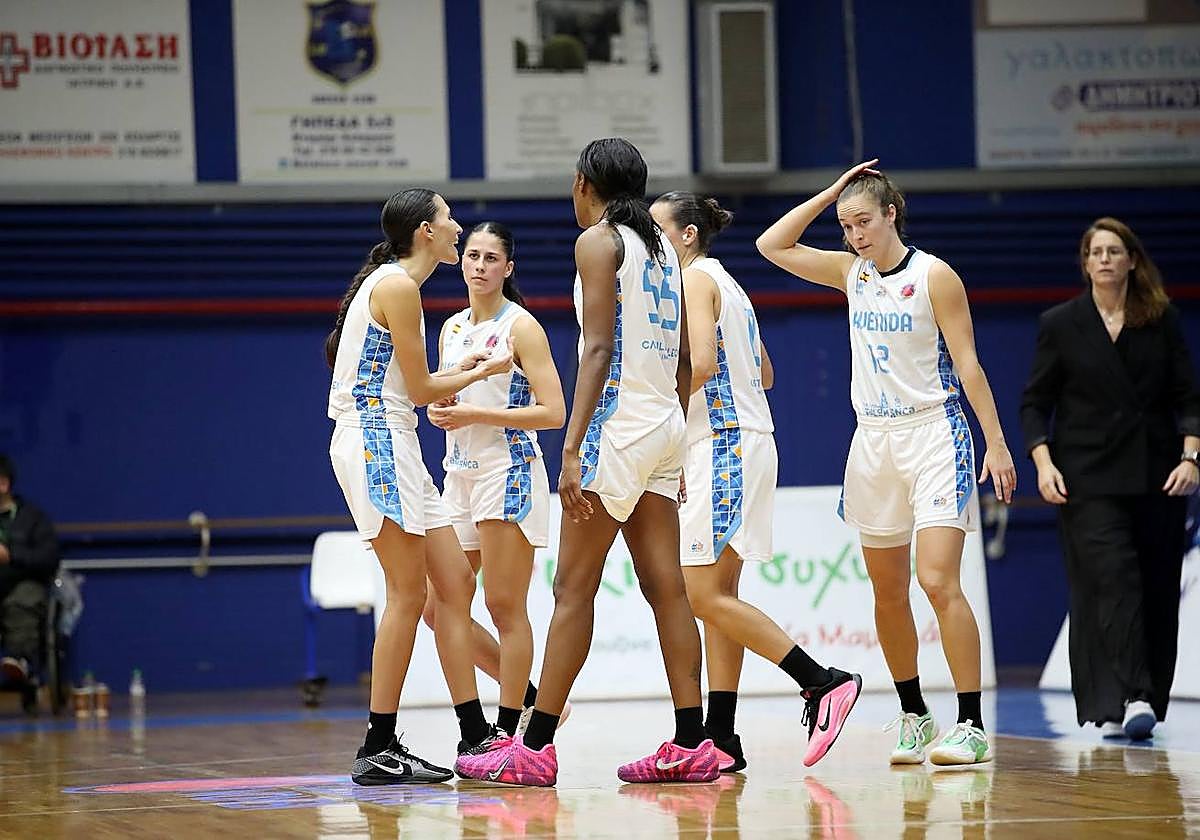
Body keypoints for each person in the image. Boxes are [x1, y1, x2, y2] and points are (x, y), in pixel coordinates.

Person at [455, 137, 714, 786]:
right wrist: (674, 431)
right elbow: (684, 358)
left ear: (582, 185)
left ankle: (535, 748)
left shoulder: (599, 242)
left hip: (617, 430)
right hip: (663, 425)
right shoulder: (662, 245)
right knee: (668, 590)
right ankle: (692, 740)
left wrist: (571, 448)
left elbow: (596, 349)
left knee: (573, 590)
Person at [757, 160, 1016, 767]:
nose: (854, 235)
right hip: (872, 440)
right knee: (888, 590)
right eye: (846, 225)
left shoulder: (936, 277)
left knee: (936, 580)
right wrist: (831, 192)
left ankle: (972, 723)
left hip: (934, 433)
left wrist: (996, 442)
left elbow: (970, 366)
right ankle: (913, 713)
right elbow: (772, 244)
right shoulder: (851, 273)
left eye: (863, 221)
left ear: (892, 214)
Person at [650, 191, 862, 772]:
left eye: (656, 229)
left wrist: (655, 424)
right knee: (720, 599)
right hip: (748, 441)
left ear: (687, 235)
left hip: (719, 445)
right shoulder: (731, 285)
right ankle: (722, 735)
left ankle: (821, 682)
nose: (647, 242)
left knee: (702, 596)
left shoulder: (693, 282)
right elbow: (765, 371)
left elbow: (703, 367)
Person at [326, 188, 514, 785]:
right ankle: (378, 742)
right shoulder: (399, 287)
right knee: (407, 594)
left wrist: (460, 376)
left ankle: (474, 729)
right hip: (377, 441)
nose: (457, 225)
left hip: (397, 442)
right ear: (426, 232)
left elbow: (419, 386)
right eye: (447, 216)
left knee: (454, 583)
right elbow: (424, 387)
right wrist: (485, 368)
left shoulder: (396, 285)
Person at [1020, 216, 1199, 740]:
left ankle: (1130, 701)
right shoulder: (1061, 323)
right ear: (1085, 263)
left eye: (1113, 251)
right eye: (1094, 251)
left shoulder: (1160, 319)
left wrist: (1192, 458)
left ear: (1131, 261)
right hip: (1086, 479)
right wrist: (1043, 462)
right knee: (1111, 580)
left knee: (1155, 586)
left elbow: (1188, 396)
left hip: (1157, 476)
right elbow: (1036, 402)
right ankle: (1133, 692)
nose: (1103, 259)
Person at [423, 222, 566, 753]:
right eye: (473, 255)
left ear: (508, 268)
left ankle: (508, 730)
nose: (479, 265)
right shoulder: (451, 328)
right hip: (457, 474)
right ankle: (529, 696)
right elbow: (444, 396)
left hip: (507, 471)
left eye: (491, 258)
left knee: (505, 606)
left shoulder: (521, 327)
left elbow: (554, 413)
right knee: (437, 606)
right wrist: (440, 408)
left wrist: (472, 412)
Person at [0, 455, 60, 706]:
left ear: (3, 484)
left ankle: (20, 661)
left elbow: (48, 558)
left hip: (22, 583)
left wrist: (11, 557)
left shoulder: (33, 518)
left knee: (23, 600)